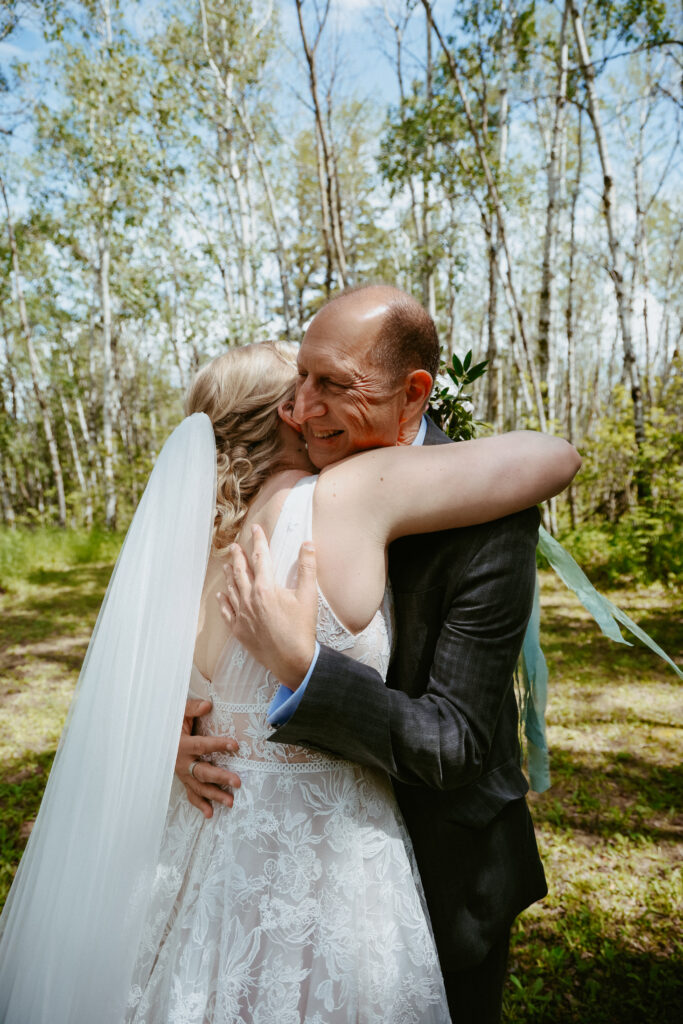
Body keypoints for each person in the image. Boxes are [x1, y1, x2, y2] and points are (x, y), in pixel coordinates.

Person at [0, 330, 579, 1024]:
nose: (314, 400)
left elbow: (158, 685)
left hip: (208, 852)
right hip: (329, 861)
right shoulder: (339, 497)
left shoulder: (196, 546)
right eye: (303, 386)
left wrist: (165, 739)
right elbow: (553, 456)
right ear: (288, 413)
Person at [179, 285, 580, 1024]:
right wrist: (179, 735)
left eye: (330, 384)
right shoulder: (277, 509)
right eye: (297, 382)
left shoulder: (489, 514)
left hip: (442, 858)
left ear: (413, 394)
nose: (302, 408)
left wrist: (305, 670)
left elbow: (453, 740)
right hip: (279, 855)